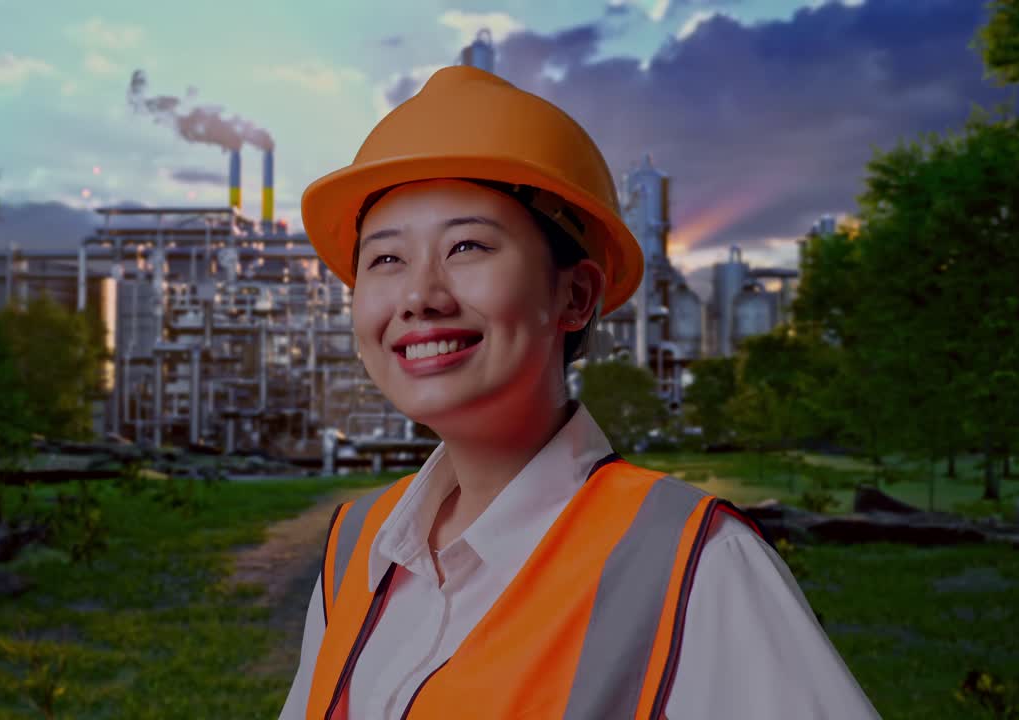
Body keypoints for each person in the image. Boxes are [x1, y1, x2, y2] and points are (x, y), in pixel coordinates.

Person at [279, 65, 880, 720]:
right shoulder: (357, 548)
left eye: (469, 246)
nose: (421, 296)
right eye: (387, 259)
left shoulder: (690, 561)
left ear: (576, 295)